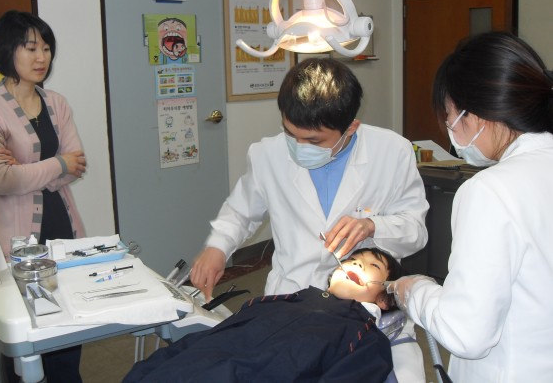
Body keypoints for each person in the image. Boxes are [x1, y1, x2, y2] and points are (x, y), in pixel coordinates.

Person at [191, 58, 428, 300]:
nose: (299, 146)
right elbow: (241, 212)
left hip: (360, 300)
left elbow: (416, 232)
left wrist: (372, 226)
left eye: (314, 140)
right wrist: (217, 247)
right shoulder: (267, 154)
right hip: (291, 293)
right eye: (289, 133)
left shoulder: (392, 152)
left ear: (351, 127)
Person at [391, 31, 553, 382]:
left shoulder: (490, 191)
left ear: (475, 115)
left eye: (449, 115)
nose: (450, 128)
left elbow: (466, 332)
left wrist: (415, 291)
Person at [0, 10, 87, 382]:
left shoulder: (57, 102)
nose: (42, 57)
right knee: (22, 344)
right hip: (13, 247)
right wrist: (57, 164)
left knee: (67, 336)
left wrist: (27, 170)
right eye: (30, 48)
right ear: (7, 51)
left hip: (62, 233)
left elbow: (76, 164)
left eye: (46, 48)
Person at [124, 248, 405, 382]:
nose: (357, 264)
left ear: (384, 299)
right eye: (353, 259)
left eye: (373, 266)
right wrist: (145, 371)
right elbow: (202, 342)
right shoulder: (275, 302)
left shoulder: (365, 338)